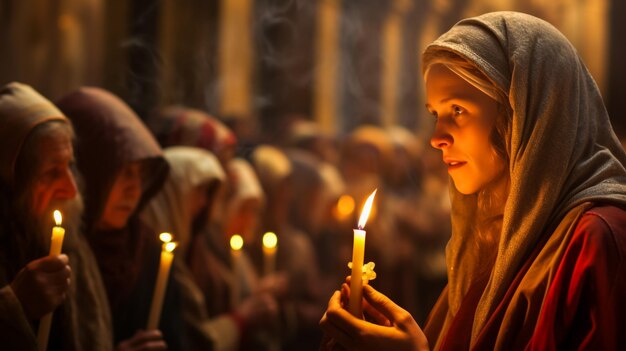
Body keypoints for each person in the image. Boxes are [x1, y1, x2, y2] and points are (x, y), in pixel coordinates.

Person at [320, 11, 626, 350]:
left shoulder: (598, 238)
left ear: (524, 114)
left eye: (458, 110)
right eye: (435, 114)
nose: (436, 138)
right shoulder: (491, 236)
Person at [57, 87, 184, 350]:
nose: (134, 188)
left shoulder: (148, 251)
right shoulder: (56, 255)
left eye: (140, 174)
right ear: (89, 170)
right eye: (123, 171)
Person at [0, 82, 112, 350]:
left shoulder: (75, 248)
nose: (72, 189)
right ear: (12, 183)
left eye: (69, 166)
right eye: (52, 172)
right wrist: (15, 306)